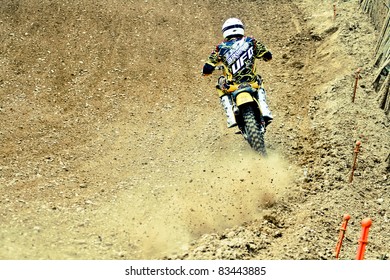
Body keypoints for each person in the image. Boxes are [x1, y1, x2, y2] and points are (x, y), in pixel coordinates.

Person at [202, 17, 273, 128]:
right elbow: (268, 56)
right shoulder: (252, 42)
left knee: (219, 85)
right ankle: (265, 109)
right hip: (252, 83)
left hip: (232, 87)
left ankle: (230, 116)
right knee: (259, 80)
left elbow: (207, 68)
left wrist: (206, 72)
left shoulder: (220, 48)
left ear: (225, 32)